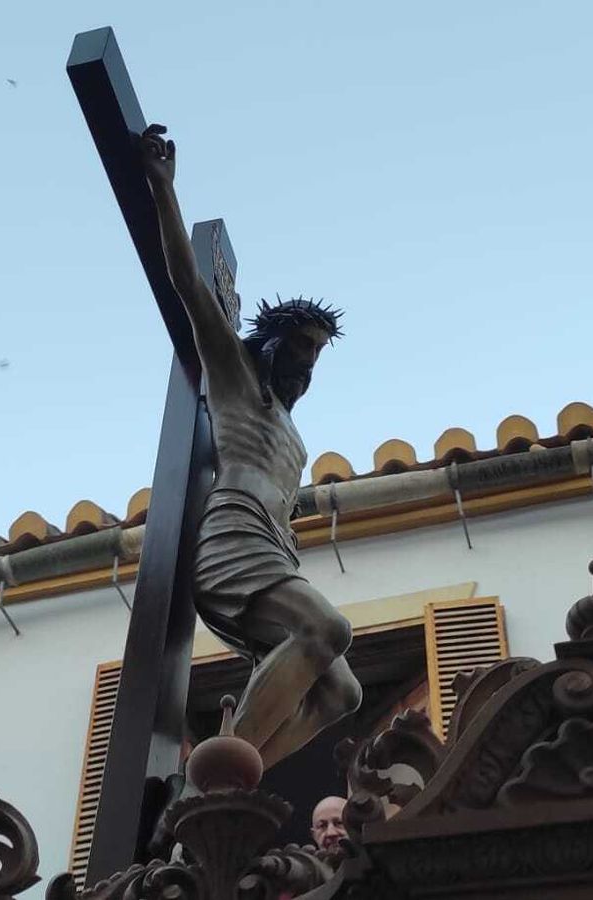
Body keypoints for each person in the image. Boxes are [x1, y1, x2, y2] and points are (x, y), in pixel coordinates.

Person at [141, 124, 362, 769]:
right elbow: (188, 282)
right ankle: (217, 771)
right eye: (298, 352)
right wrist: (164, 190)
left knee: (344, 691)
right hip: (232, 536)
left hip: (275, 544)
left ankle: (239, 772)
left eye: (315, 359)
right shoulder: (236, 379)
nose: (304, 370)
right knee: (326, 629)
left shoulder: (294, 433)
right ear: (270, 348)